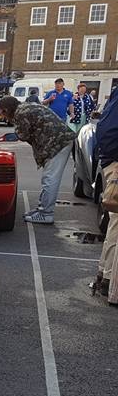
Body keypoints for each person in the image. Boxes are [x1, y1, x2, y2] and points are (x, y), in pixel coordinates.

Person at [0, 95, 77, 224]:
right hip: (60, 141)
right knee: (48, 178)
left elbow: (23, 135)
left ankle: (46, 213)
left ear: (6, 110)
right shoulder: (26, 107)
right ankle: (42, 209)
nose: (3, 118)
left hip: (58, 144)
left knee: (50, 179)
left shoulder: (20, 113)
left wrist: (14, 130)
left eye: (2, 114)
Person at [90, 86, 118, 301]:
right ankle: (110, 284)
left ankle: (105, 276)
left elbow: (105, 131)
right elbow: (108, 132)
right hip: (114, 163)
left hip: (111, 162)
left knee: (114, 225)